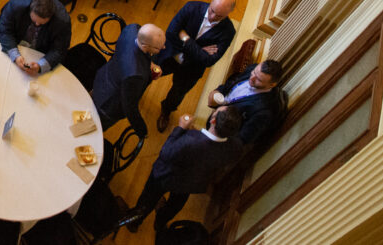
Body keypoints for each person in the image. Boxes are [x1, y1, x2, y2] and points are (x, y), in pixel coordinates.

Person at [123, 106, 245, 234]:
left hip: (166, 176)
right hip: (191, 183)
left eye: (216, 111)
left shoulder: (191, 140)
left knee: (148, 198)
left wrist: (180, 128)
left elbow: (166, 153)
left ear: (213, 121)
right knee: (174, 206)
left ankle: (135, 221)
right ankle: (160, 223)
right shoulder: (236, 147)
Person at [154, 0, 238, 131]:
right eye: (212, 10)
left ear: (229, 13)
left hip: (191, 70)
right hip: (169, 55)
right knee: (149, 73)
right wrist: (199, 50)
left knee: (177, 94)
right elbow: (170, 33)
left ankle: (166, 111)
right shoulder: (191, 7)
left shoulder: (228, 32)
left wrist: (186, 39)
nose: (212, 17)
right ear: (210, 2)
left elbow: (209, 60)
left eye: (218, 16)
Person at [91, 23, 166, 132]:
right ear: (145, 46)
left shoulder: (131, 29)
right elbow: (129, 106)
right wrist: (141, 129)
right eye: (158, 48)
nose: (163, 47)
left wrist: (148, 63)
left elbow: (130, 54)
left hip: (102, 78)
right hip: (109, 103)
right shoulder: (136, 75)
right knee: (94, 130)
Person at [0, 0, 72, 75]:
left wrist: (40, 66)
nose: (37, 24)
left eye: (41, 23)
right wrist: (15, 56)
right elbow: (5, 30)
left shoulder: (62, 23)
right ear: (30, 10)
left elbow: (59, 50)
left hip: (40, 50)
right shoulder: (15, 6)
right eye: (34, 20)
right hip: (14, 41)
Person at [208, 59, 285, 147]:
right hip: (213, 118)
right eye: (254, 72)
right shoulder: (253, 68)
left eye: (259, 80)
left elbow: (242, 139)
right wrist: (217, 91)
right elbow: (231, 83)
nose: (252, 78)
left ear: (272, 85)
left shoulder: (264, 111)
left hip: (218, 136)